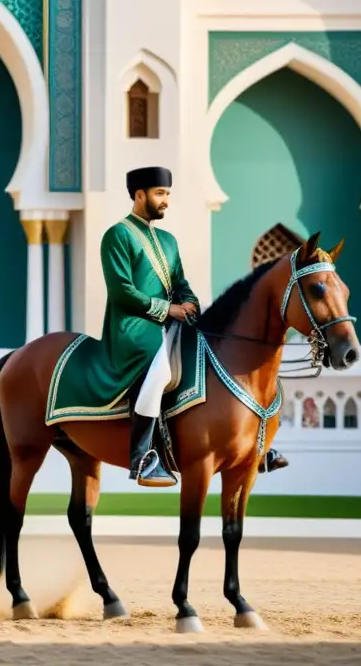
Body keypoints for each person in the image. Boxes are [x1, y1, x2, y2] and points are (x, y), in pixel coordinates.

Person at [99, 167, 200, 487]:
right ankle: (142, 457)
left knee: (212, 352)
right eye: (160, 193)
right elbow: (122, 292)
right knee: (160, 369)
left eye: (167, 193)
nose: (166, 200)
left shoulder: (168, 241)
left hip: (170, 323)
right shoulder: (118, 235)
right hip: (133, 327)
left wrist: (190, 304)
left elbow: (181, 283)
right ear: (139, 195)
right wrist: (168, 309)